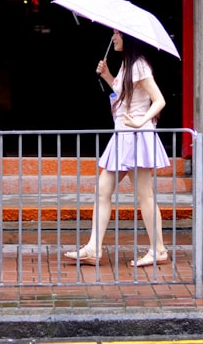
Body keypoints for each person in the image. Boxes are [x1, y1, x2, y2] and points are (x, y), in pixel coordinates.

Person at [63, 30, 170, 268]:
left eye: (117, 34)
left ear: (129, 37)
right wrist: (107, 75)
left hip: (137, 136)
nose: (114, 38)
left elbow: (159, 99)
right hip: (123, 135)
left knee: (145, 195)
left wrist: (142, 121)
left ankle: (159, 249)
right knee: (103, 190)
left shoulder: (139, 65)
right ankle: (93, 248)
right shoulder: (126, 66)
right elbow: (123, 94)